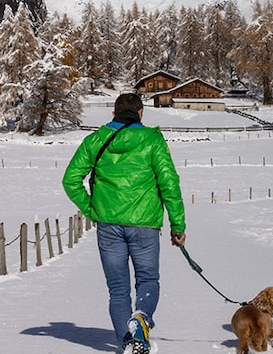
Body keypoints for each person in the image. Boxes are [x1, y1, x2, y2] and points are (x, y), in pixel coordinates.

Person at [63, 93, 187, 354]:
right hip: (145, 224)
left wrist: (93, 209)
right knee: (148, 280)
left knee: (118, 290)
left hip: (108, 225)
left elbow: (71, 179)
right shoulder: (152, 140)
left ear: (114, 114)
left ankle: (129, 343)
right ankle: (141, 318)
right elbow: (169, 183)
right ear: (141, 112)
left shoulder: (96, 140)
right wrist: (178, 225)